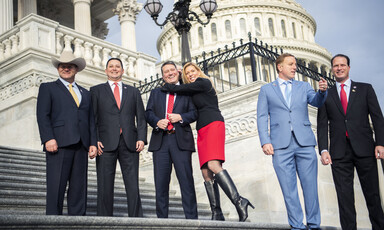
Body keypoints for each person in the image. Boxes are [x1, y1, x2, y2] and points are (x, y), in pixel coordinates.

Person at [162, 62, 254, 222]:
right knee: (206, 172)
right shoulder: (193, 88)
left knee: (213, 164)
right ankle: (216, 213)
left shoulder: (203, 82)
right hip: (202, 129)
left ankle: (239, 201)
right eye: (187, 73)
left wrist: (169, 83)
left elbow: (178, 88)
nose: (190, 74)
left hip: (213, 124)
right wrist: (179, 76)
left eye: (193, 71)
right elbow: (185, 89)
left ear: (199, 71)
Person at [257, 53, 328, 230]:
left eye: (295, 64)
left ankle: (314, 224)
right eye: (291, 64)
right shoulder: (267, 90)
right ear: (280, 67)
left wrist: (322, 91)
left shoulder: (304, 86)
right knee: (289, 190)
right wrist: (265, 141)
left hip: (304, 143)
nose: (295, 67)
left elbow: (316, 102)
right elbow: (261, 116)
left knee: (310, 187)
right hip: (280, 146)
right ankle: (297, 225)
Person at [317, 54, 384, 230]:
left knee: (373, 196)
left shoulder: (365, 89)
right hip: (339, 153)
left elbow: (377, 118)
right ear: (332, 69)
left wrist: (380, 143)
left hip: (365, 149)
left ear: (348, 67)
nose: (339, 68)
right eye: (335, 66)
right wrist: (323, 149)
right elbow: (322, 123)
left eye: (342, 65)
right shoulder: (327, 94)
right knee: (344, 199)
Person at [36, 51, 97, 215]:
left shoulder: (86, 93)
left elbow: (91, 120)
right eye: (63, 66)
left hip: (81, 145)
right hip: (58, 144)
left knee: (79, 188)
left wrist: (92, 142)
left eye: (70, 66)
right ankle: (53, 222)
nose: (66, 68)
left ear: (76, 69)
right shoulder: (48, 88)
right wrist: (48, 138)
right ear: (58, 69)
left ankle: (77, 222)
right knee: (56, 186)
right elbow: (43, 115)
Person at [90, 58, 147, 217]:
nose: (114, 69)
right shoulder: (96, 91)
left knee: (133, 184)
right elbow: (92, 119)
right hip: (105, 144)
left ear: (122, 70)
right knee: (104, 184)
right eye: (111, 67)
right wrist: (94, 140)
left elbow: (141, 118)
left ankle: (136, 218)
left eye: (117, 67)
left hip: (130, 143)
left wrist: (141, 138)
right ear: (106, 70)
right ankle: (104, 219)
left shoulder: (133, 91)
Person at [145, 61, 198, 219]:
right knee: (161, 184)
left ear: (178, 72)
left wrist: (181, 117)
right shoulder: (156, 93)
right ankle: (162, 221)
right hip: (160, 142)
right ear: (162, 75)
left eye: (172, 70)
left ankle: (192, 220)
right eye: (166, 71)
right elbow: (148, 113)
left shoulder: (187, 92)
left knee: (186, 182)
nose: (169, 73)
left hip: (180, 141)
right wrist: (156, 121)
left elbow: (195, 113)